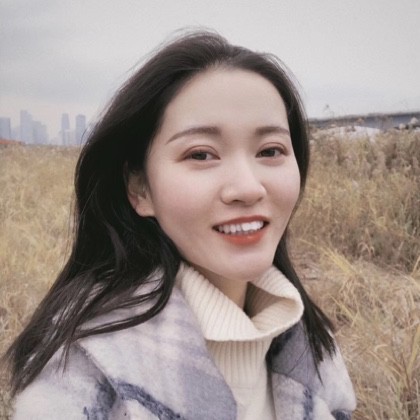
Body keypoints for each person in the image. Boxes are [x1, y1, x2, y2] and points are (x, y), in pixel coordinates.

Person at [7, 31, 356, 419]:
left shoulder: (314, 351)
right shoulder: (81, 382)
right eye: (201, 154)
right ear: (140, 189)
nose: (248, 187)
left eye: (270, 150)